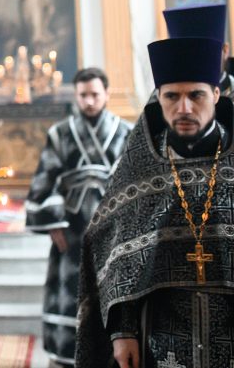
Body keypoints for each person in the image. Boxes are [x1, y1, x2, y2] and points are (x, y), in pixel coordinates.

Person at [75, 37, 234, 368]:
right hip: (161, 330)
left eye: (196, 95)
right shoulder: (141, 166)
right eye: (172, 96)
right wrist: (122, 332)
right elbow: (113, 253)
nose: (184, 108)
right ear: (158, 99)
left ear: (216, 96)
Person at [25, 67, 132, 366]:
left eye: (95, 94)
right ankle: (66, 356)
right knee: (70, 293)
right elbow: (43, 184)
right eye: (83, 95)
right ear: (76, 96)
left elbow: (134, 184)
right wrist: (54, 222)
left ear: (107, 94)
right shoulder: (60, 134)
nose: (89, 101)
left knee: (111, 292)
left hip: (114, 233)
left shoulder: (127, 133)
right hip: (70, 233)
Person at [163, 3, 234, 98]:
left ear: (225, 51)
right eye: (188, 55)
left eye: (206, 52)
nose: (197, 61)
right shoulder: (166, 94)